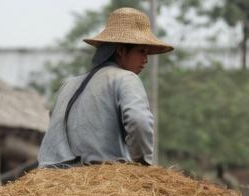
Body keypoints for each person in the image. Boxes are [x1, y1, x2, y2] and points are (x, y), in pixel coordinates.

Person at [38, 7, 172, 169]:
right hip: (98, 175)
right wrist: (142, 164)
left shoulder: (68, 84)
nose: (146, 59)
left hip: (50, 177)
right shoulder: (126, 78)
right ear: (121, 50)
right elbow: (139, 121)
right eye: (141, 51)